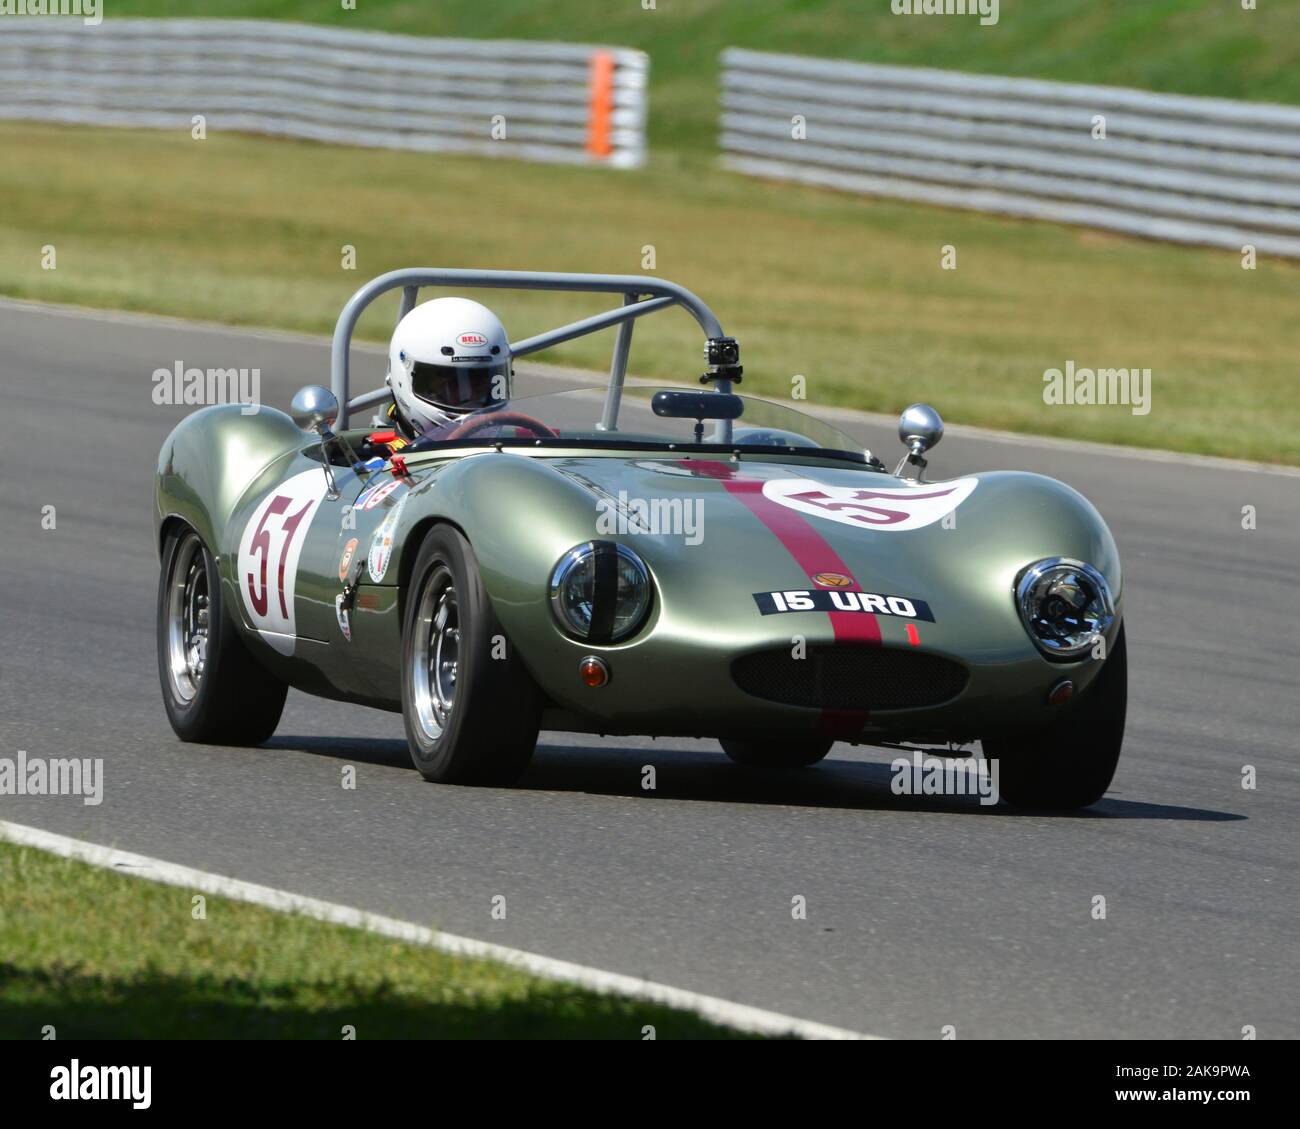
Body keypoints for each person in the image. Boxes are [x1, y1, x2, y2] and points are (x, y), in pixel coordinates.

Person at [365, 296, 514, 457]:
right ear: (403, 378)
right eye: (450, 386)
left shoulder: (524, 446)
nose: (470, 398)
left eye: (482, 386)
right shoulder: (375, 469)